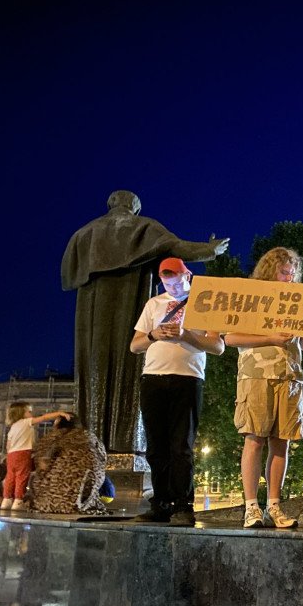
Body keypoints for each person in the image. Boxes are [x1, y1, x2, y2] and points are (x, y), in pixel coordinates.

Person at [61, 190, 228, 453]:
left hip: (92, 311)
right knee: (128, 366)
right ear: (134, 206)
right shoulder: (143, 227)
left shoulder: (84, 233)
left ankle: (91, 442)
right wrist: (210, 250)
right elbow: (178, 248)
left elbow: (69, 275)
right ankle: (123, 440)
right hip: (129, 300)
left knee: (95, 364)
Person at [224, 247, 303, 529]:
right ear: (269, 270)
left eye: (292, 271)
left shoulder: (296, 301)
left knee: (282, 441)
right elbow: (230, 337)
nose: (289, 275)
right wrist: (270, 338)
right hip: (256, 374)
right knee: (254, 439)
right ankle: (251, 507)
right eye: (283, 269)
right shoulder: (251, 297)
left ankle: (274, 505)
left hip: (290, 377)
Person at [130, 258, 225, 526]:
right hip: (153, 378)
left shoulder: (205, 301)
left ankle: (183, 505)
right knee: (156, 446)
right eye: (166, 282)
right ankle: (160, 502)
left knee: (181, 445)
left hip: (187, 378)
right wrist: (153, 335)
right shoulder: (154, 304)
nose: (171, 287)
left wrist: (185, 335)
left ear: (189, 276)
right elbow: (134, 346)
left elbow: (217, 346)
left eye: (177, 281)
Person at [31, 415, 108, 515]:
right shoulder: (90, 436)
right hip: (82, 499)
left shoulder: (48, 439)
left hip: (47, 502)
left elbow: (40, 466)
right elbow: (103, 460)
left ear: (58, 424)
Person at [1, 403, 72, 510]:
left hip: (11, 455)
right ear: (22, 414)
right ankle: (18, 501)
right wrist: (60, 413)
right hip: (23, 453)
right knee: (22, 477)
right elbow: (44, 417)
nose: (31, 413)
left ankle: (6, 500)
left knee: (10, 477)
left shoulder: (13, 427)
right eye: (29, 411)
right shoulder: (26, 422)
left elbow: (8, 445)